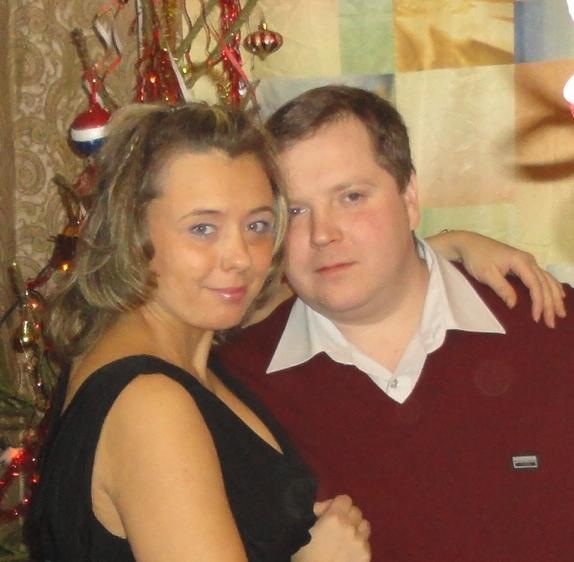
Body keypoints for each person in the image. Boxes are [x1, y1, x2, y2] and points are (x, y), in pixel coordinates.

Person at [214, 85, 574, 562]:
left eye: (351, 197)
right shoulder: (234, 389)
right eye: (296, 211)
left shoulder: (552, 328)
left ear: (409, 198)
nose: (323, 234)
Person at [27, 102, 372, 562]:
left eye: (257, 225)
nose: (241, 257)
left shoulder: (180, 349)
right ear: (133, 231)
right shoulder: (150, 406)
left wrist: (439, 251)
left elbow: (310, 286)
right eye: (203, 228)